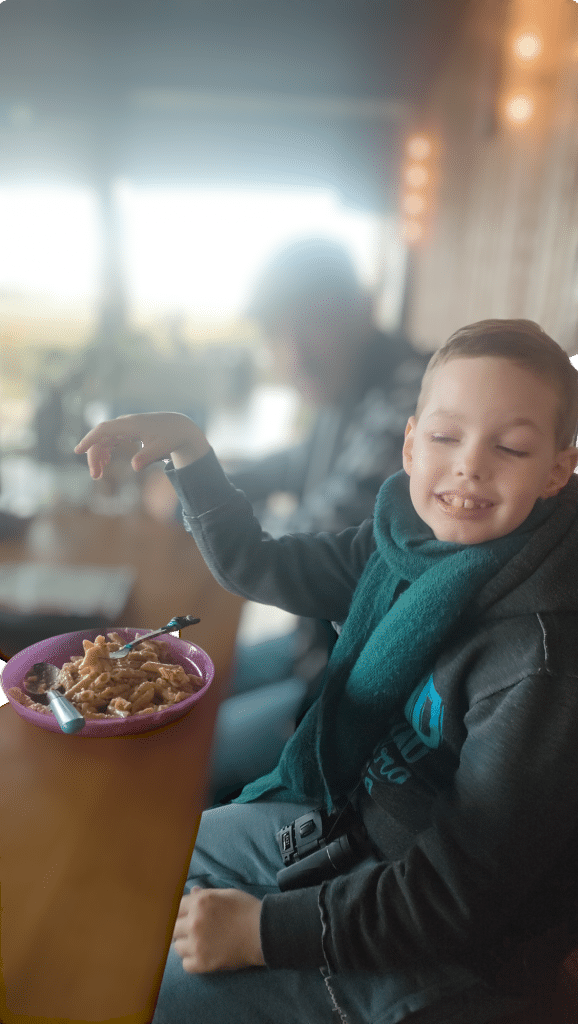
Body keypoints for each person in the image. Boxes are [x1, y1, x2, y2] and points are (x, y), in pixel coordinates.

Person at [74, 318, 578, 1024]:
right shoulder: (401, 534)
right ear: (410, 443)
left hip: (451, 948)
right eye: (444, 437)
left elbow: (461, 894)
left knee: (139, 993)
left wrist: (261, 931)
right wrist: (191, 453)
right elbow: (265, 564)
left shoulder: (540, 658)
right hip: (355, 826)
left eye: (511, 446)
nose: (469, 465)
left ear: (558, 467)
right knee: (140, 866)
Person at [210, 238, 428, 802]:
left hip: (362, 685)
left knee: (184, 747)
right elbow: (295, 463)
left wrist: (210, 518)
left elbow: (314, 541)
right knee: (186, 682)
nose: (295, 354)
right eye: (278, 334)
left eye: (310, 325)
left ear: (362, 310)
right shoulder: (353, 388)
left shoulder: (415, 397)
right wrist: (207, 481)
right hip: (317, 642)